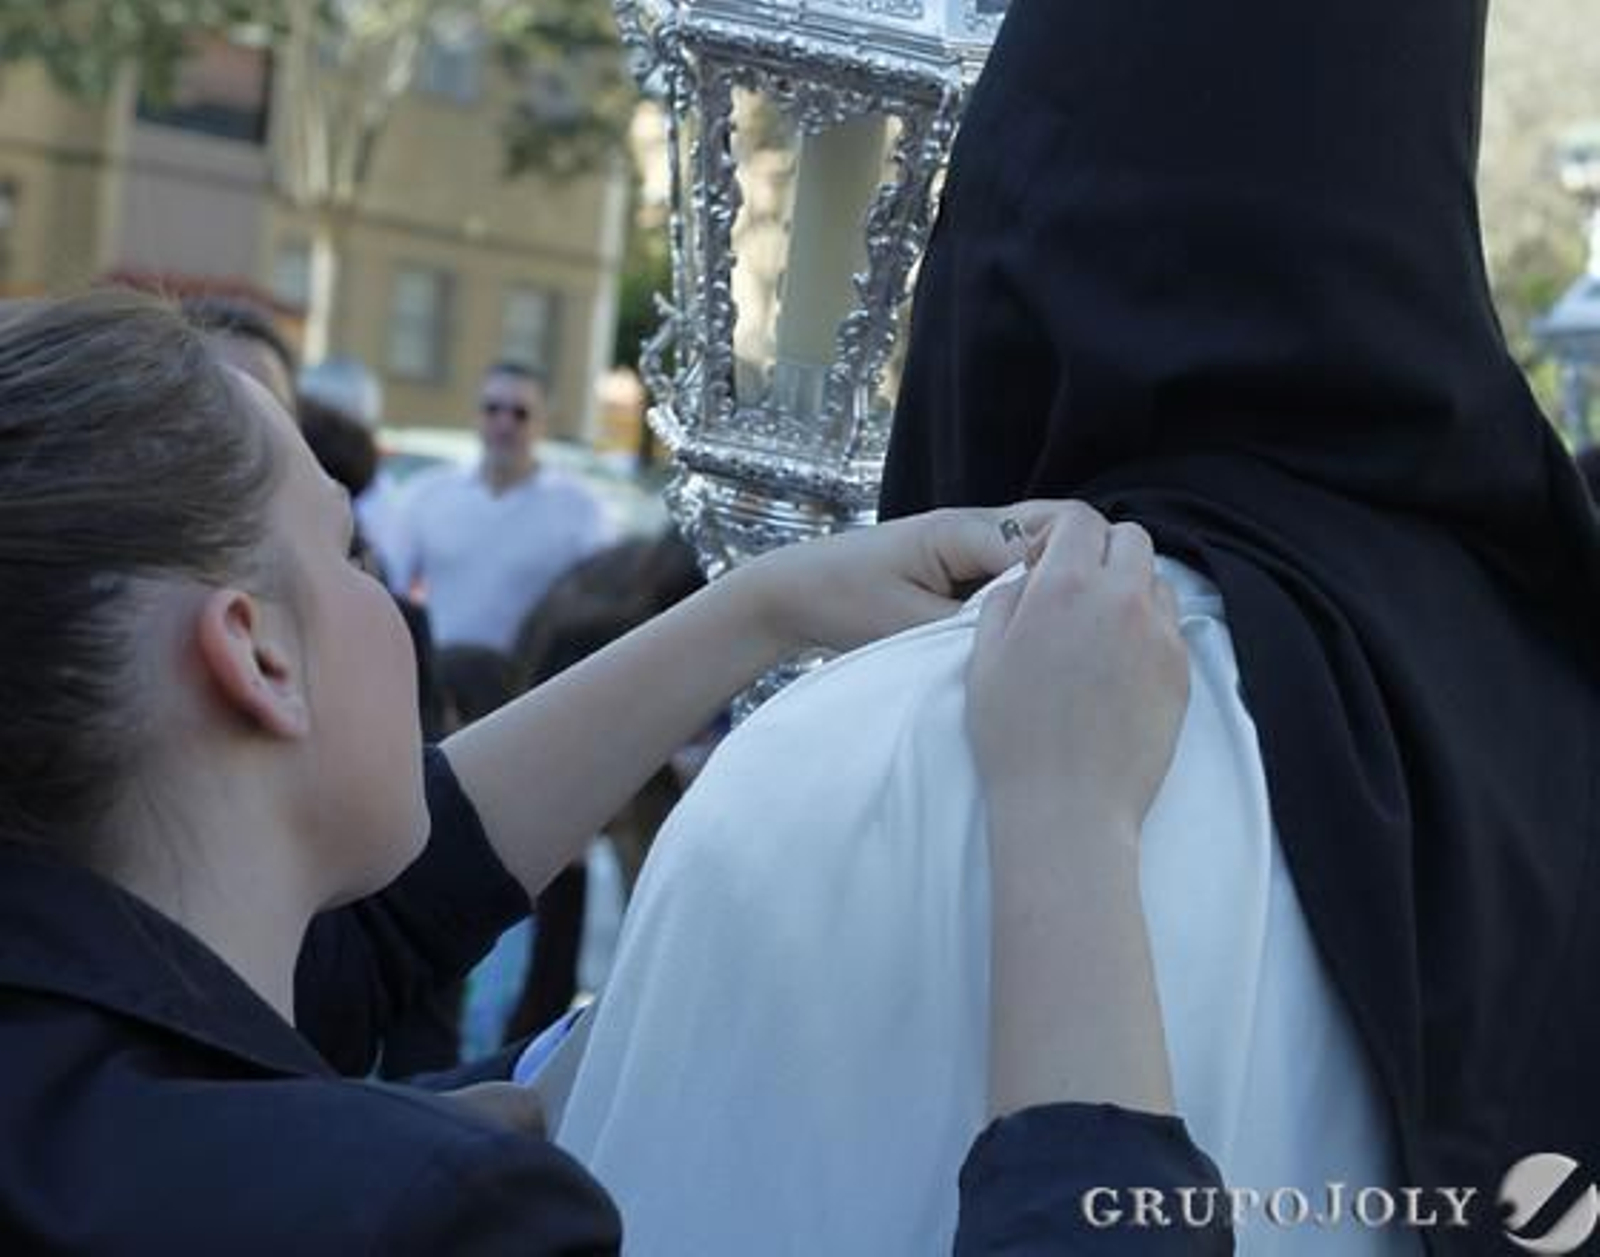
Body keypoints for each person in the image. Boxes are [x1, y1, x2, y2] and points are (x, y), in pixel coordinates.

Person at [0, 289, 1224, 1253]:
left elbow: (342, 944)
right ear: (257, 655)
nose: (381, 586)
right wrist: (1070, 814)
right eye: (351, 549)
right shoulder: (419, 1215)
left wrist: (764, 605)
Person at [389, 362, 613, 652]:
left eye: (520, 414)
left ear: (543, 422)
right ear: (476, 415)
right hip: (441, 680)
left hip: (533, 686)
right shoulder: (426, 495)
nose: (504, 424)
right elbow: (390, 590)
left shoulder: (581, 509)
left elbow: (597, 604)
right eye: (492, 409)